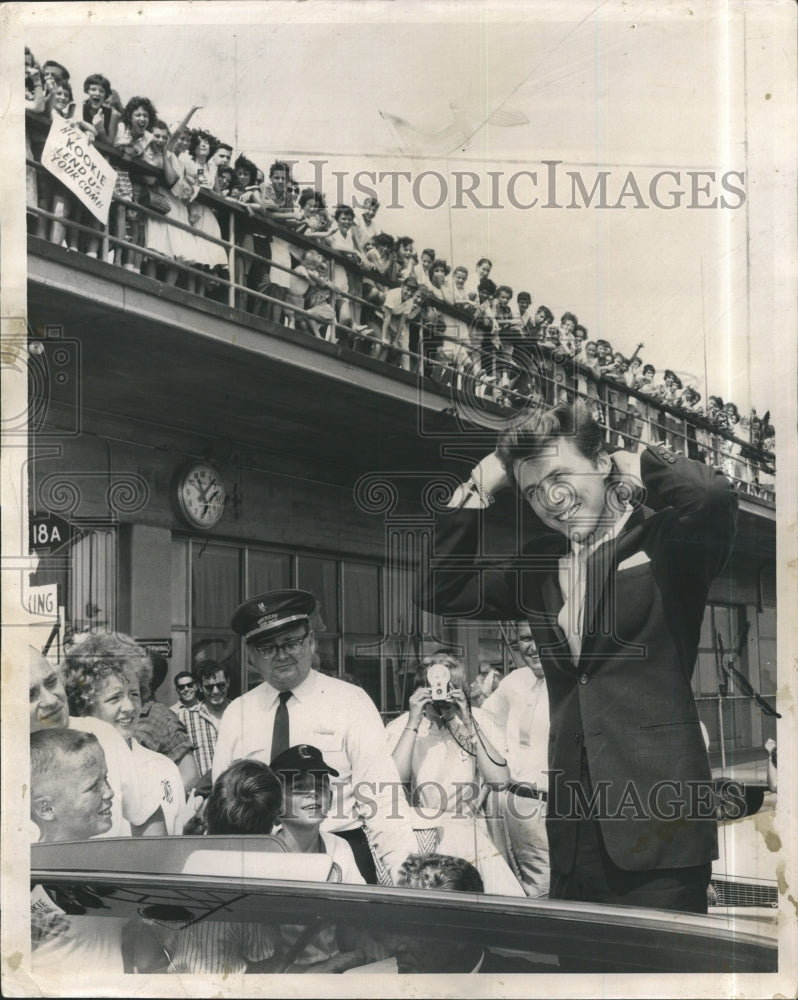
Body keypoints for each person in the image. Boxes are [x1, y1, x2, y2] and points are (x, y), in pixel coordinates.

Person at [417, 400, 738, 913]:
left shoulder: (665, 541)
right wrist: (481, 484)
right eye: (533, 491)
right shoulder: (540, 564)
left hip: (661, 835)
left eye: (562, 476)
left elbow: (711, 493)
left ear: (604, 463)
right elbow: (441, 588)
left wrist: (630, 459)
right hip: (570, 839)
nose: (553, 499)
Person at [212, 589, 416, 884]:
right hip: (257, 863)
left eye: (291, 642)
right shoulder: (237, 713)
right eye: (267, 648)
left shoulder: (350, 701)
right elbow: (223, 810)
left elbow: (383, 800)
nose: (281, 655)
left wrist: (408, 876)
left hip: (339, 856)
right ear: (251, 656)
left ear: (310, 641)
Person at [385, 656, 524, 897]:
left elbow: (500, 780)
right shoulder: (403, 727)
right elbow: (391, 784)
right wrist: (414, 720)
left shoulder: (477, 721)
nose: (443, 696)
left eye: (451, 687)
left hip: (468, 832)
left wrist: (469, 721)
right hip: (424, 834)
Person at [29, 729, 165, 975]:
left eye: (106, 778)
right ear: (46, 808)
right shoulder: (27, 882)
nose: (109, 792)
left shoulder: (108, 868)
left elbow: (141, 955)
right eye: (93, 786)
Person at [64, 633, 191, 835]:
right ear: (84, 705)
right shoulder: (67, 771)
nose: (130, 707)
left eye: (134, 694)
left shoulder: (164, 767)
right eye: (114, 698)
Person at [29, 648, 165, 837]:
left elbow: (147, 816)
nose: (51, 700)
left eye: (51, 682)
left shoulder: (103, 735)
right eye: (31, 695)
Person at [480, 624, 551, 897]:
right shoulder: (514, 682)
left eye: (541, 638)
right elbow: (485, 721)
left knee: (546, 889)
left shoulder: (571, 684)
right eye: (525, 639)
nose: (532, 647)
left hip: (552, 803)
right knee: (512, 887)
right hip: (508, 803)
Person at [271, 744, 364, 885]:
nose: (313, 793)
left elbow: (358, 903)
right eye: (299, 787)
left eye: (320, 786)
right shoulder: (264, 851)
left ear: (330, 798)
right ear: (276, 803)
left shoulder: (339, 847)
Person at [178, 660, 230, 778]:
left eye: (220, 685)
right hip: (202, 794)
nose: (215, 691)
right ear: (200, 687)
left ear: (228, 683)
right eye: (209, 687)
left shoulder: (241, 714)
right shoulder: (184, 718)